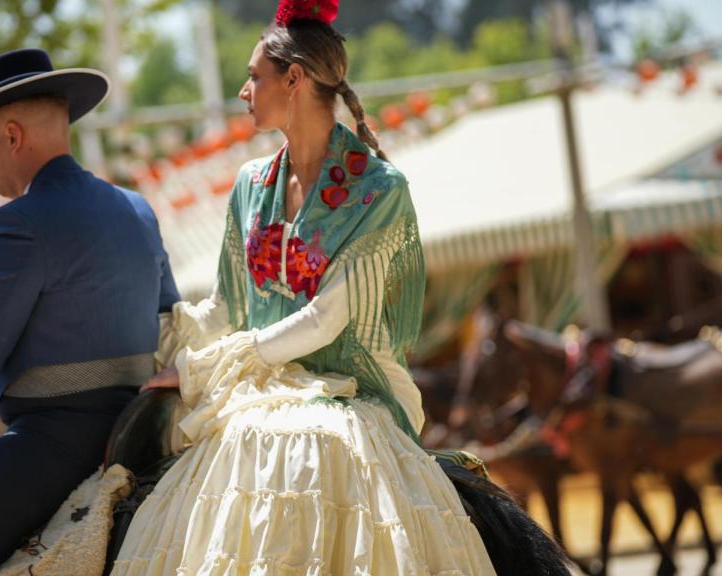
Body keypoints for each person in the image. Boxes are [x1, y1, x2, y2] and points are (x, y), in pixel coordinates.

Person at [111, 1, 496, 573]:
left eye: (252, 76)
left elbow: (325, 320)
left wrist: (202, 369)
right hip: (259, 385)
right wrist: (153, 334)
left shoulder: (379, 190)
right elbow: (226, 307)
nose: (243, 91)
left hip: (347, 387)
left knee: (303, 439)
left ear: (293, 79)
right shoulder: (249, 184)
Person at [0, 48, 180, 575]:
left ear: (13, 137)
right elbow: (170, 316)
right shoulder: (136, 208)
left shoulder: (16, 224)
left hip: (57, 441)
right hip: (140, 429)